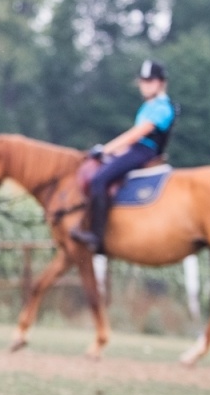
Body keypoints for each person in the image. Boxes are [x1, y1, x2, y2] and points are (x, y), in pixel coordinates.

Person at [69, 60, 176, 254]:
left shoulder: (162, 107)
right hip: (135, 149)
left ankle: (97, 236)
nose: (145, 85)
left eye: (150, 81)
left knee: (99, 180)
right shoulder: (149, 106)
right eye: (143, 81)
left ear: (160, 82)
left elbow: (137, 134)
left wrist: (105, 150)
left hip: (144, 151)